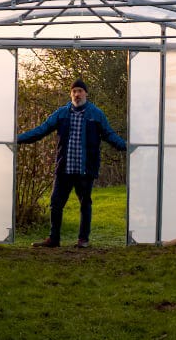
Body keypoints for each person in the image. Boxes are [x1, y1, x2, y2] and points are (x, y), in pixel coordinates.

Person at [16, 78, 127, 248]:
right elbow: (41, 130)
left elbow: (109, 134)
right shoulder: (61, 114)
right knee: (56, 204)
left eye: (80, 91)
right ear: (71, 94)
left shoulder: (96, 114)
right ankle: (54, 239)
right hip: (64, 169)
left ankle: (83, 240)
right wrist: (17, 139)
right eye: (74, 91)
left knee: (85, 204)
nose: (77, 94)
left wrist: (127, 146)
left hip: (85, 169)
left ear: (86, 94)